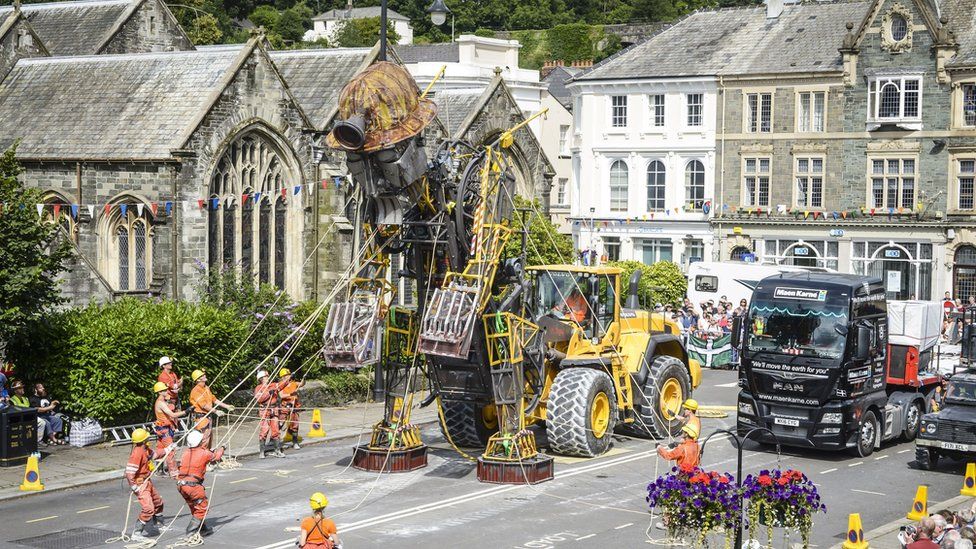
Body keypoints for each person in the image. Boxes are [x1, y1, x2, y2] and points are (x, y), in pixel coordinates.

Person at [176, 429, 224, 536]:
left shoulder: (186, 452)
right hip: (193, 486)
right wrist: (222, 448)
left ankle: (203, 528)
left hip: (181, 485)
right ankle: (191, 532)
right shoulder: (204, 453)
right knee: (202, 507)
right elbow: (217, 457)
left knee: (195, 507)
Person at [125, 428, 163, 538]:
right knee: (148, 508)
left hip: (147, 481)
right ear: (144, 440)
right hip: (141, 484)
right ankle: (137, 533)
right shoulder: (137, 453)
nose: (149, 439)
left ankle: (158, 523)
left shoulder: (145, 450)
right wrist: (134, 486)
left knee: (158, 502)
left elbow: (155, 454)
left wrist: (168, 449)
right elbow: (129, 472)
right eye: (147, 438)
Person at [188, 370, 234, 450]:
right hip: (201, 418)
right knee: (204, 439)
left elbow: (214, 400)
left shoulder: (206, 388)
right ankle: (202, 458)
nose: (205, 375)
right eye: (202, 375)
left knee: (209, 439)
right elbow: (203, 405)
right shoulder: (196, 391)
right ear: (198, 379)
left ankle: (207, 457)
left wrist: (226, 406)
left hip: (207, 417)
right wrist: (216, 411)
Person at [153, 381, 186, 477]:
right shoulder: (160, 403)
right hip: (164, 429)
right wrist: (185, 412)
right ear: (159, 392)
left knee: (160, 449)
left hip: (162, 428)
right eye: (164, 390)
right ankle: (174, 472)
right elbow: (172, 414)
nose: (166, 391)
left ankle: (159, 470)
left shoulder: (162, 402)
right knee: (170, 450)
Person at [255, 370, 284, 458]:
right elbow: (259, 399)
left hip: (274, 409)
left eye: (267, 376)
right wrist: (268, 393)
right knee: (264, 430)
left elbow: (281, 385)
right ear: (261, 379)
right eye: (266, 377)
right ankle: (262, 452)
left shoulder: (273, 385)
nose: (268, 378)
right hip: (264, 410)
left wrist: (289, 379)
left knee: (276, 430)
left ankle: (277, 450)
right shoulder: (258, 388)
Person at [278, 369, 305, 450]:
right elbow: (281, 395)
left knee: (295, 425)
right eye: (286, 376)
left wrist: (304, 378)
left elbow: (302, 384)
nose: (288, 377)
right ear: (282, 377)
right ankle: (274, 440)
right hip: (285, 406)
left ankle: (295, 442)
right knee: (280, 423)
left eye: (288, 375)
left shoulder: (294, 383)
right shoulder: (281, 385)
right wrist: (290, 394)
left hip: (294, 407)